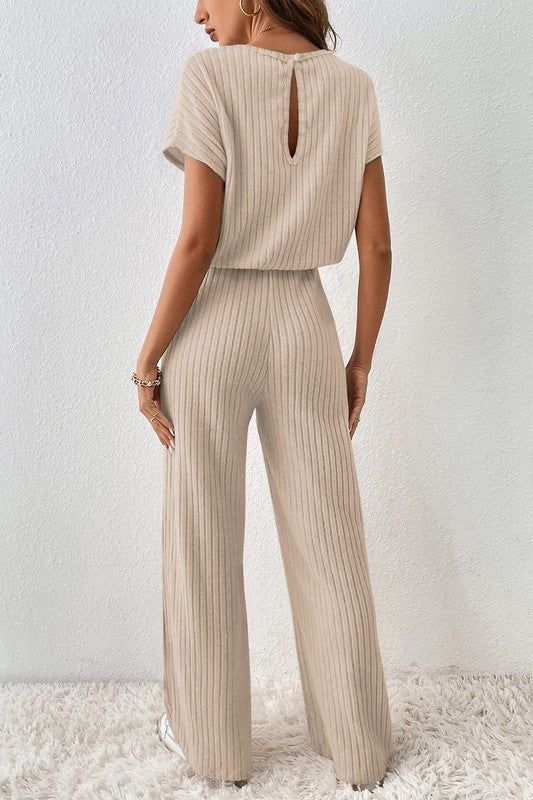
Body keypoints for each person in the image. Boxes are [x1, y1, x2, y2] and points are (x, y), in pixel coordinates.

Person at [132, 0, 393, 792]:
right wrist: (359, 362)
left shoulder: (209, 75)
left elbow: (197, 239)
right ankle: (358, 749)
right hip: (307, 328)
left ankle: (215, 751)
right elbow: (377, 244)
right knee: (330, 537)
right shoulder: (353, 87)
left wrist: (147, 363)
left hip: (215, 327)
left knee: (202, 533)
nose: (196, 14)